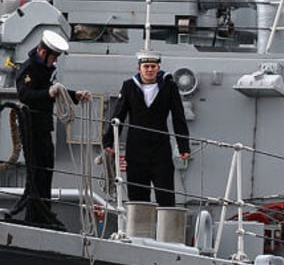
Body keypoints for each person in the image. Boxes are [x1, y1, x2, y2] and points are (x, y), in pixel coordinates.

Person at [15, 30, 91, 226]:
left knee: (46, 168)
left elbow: (58, 91)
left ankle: (43, 211)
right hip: (31, 126)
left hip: (43, 126)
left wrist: (76, 95)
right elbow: (25, 95)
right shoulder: (29, 69)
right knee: (36, 171)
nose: (55, 61)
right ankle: (34, 215)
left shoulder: (45, 69)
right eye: (54, 56)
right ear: (43, 53)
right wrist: (48, 93)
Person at [102, 52, 190, 206]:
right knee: (137, 197)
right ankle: (139, 229)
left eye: (153, 66)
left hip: (160, 150)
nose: (149, 70)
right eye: (146, 66)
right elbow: (118, 116)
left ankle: (166, 228)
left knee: (166, 195)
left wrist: (184, 146)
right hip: (136, 150)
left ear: (158, 68)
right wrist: (109, 141)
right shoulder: (129, 86)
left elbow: (178, 117)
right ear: (139, 68)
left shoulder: (169, 87)